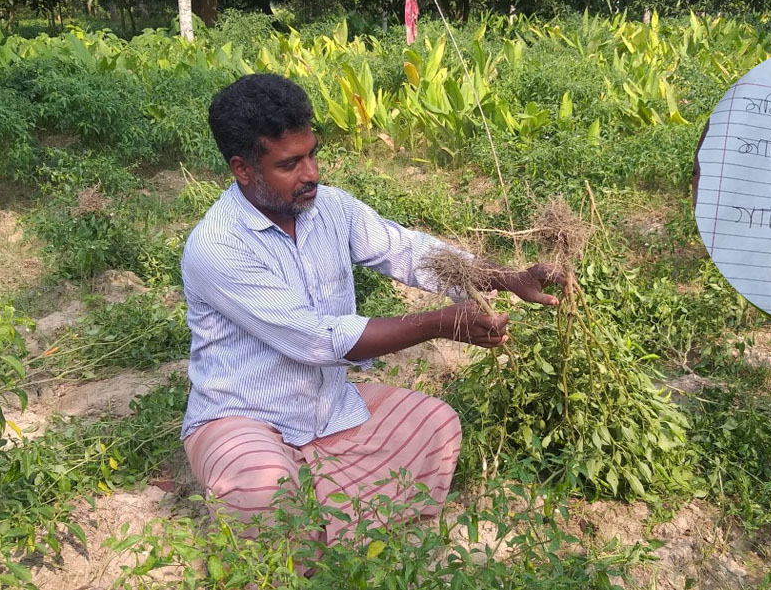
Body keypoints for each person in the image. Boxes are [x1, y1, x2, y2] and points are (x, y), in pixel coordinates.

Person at [179, 73, 565, 549]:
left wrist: (506, 277)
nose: (312, 174)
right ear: (242, 169)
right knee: (261, 489)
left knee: (436, 428)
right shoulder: (217, 246)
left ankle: (342, 533)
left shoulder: (331, 209)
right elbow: (316, 338)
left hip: (327, 406)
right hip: (245, 414)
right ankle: (296, 526)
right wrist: (439, 324)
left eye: (313, 154)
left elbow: (410, 252)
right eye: (290, 164)